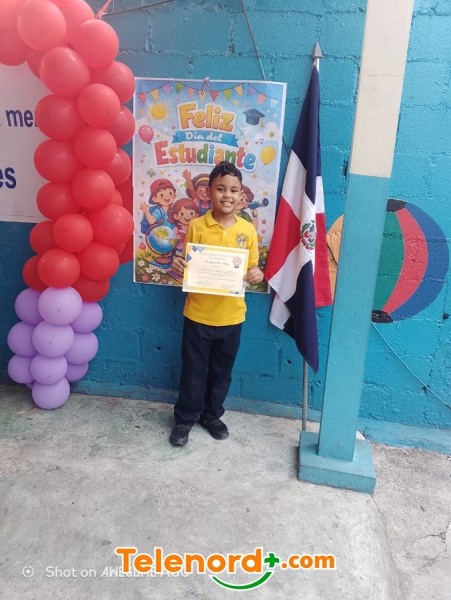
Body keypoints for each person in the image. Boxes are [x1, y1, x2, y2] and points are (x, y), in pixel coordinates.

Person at [170, 161, 264, 446]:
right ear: (209, 192)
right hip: (198, 315)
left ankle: (211, 415)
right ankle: (185, 418)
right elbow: (187, 265)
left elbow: (252, 267)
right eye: (221, 189)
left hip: (232, 317)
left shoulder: (247, 231)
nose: (227, 195)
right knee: (193, 371)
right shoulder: (197, 226)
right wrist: (180, 266)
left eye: (233, 190)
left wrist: (257, 273)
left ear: (241, 195)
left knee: (222, 373)